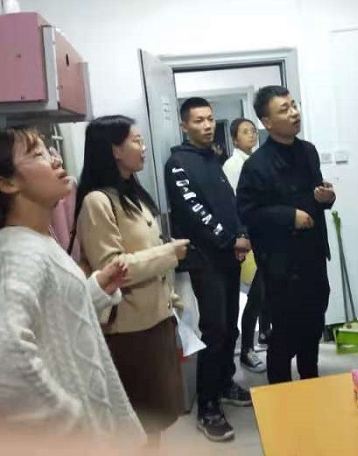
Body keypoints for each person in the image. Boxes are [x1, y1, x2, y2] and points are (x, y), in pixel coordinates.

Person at [0, 128, 145, 446]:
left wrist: (93, 291)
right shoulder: (19, 250)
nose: (55, 159)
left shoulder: (36, 239)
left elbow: (53, 322)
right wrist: (67, 421)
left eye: (48, 150)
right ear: (7, 183)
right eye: (37, 154)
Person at [73, 116, 190, 441]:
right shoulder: (97, 202)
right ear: (114, 150)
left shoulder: (131, 194)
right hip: (129, 330)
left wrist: (172, 301)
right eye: (136, 141)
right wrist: (169, 253)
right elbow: (111, 269)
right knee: (139, 423)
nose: (143, 147)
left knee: (157, 420)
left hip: (157, 319)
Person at [165, 97, 252, 442]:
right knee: (214, 329)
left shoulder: (213, 158)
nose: (207, 125)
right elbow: (195, 213)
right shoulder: (178, 163)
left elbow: (229, 204)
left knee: (230, 326)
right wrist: (229, 240)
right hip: (206, 259)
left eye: (210, 119)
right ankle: (208, 406)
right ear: (184, 126)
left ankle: (224, 382)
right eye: (198, 120)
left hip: (228, 256)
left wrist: (241, 233)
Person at [238, 86, 336, 384]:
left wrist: (326, 198)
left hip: (313, 255)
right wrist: (289, 216)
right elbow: (247, 212)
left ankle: (311, 379)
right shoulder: (257, 165)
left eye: (294, 105)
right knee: (284, 335)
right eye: (285, 109)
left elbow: (317, 194)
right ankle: (280, 393)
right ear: (267, 122)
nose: (294, 113)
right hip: (281, 265)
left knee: (313, 324)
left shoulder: (308, 151)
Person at [222, 118, 270, 374]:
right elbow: (235, 205)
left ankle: (264, 333)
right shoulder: (233, 165)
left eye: (253, 130)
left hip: (261, 234)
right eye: (245, 132)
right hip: (248, 238)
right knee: (256, 293)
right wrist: (243, 236)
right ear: (234, 139)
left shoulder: (254, 160)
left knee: (266, 289)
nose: (251, 135)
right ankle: (247, 349)